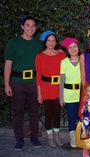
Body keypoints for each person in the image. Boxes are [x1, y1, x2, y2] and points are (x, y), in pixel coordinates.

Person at [4, 15, 43, 150]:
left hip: (34, 82)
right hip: (17, 83)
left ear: (36, 28)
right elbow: (8, 64)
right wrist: (7, 84)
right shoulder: (13, 42)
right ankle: (19, 139)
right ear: (22, 27)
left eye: (33, 26)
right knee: (18, 112)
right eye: (27, 25)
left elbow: (46, 59)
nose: (30, 28)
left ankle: (34, 137)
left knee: (34, 112)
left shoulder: (39, 44)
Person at [35, 30, 66, 147]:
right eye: (49, 40)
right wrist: (39, 94)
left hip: (58, 88)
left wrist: (62, 93)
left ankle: (57, 136)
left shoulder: (61, 55)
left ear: (56, 42)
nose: (51, 42)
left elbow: (63, 75)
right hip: (45, 88)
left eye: (53, 40)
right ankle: (50, 137)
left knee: (57, 113)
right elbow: (38, 76)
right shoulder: (39, 56)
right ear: (45, 41)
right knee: (48, 114)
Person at [60, 37, 81, 148]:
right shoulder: (64, 62)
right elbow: (62, 81)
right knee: (71, 117)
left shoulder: (83, 60)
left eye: (74, 47)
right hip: (69, 95)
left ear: (78, 47)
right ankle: (73, 140)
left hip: (82, 94)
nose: (73, 49)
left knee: (82, 117)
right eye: (70, 47)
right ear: (67, 50)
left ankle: (81, 138)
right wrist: (61, 97)